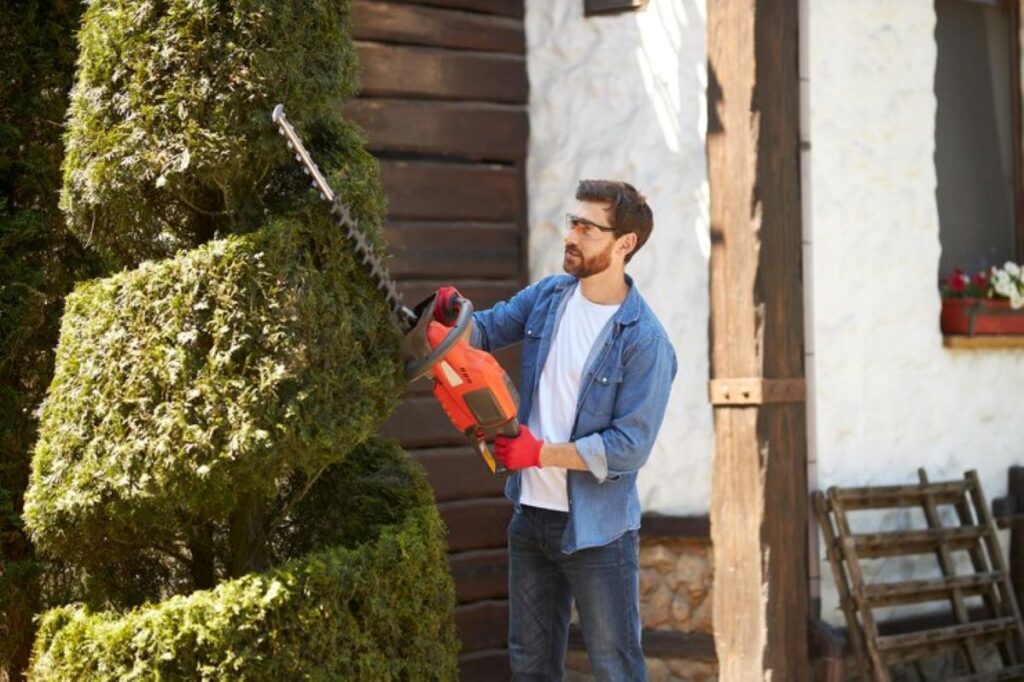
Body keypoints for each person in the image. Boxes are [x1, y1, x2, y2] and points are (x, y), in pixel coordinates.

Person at [431, 180, 676, 681]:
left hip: (598, 533)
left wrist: (539, 453)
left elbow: (629, 447)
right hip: (531, 519)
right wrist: (452, 317)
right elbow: (488, 330)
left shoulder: (646, 340)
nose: (572, 234)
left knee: (616, 668)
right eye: (572, 221)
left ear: (624, 243)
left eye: (588, 227)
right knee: (531, 666)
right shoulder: (549, 296)